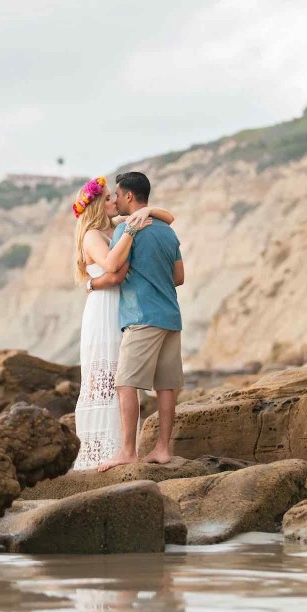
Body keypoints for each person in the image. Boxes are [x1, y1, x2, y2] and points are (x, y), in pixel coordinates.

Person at [71, 175, 174, 470]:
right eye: (107, 198)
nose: (114, 200)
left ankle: (122, 447)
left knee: (122, 376)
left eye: (113, 196)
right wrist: (92, 286)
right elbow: (113, 270)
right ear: (96, 206)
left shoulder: (115, 228)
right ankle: (100, 452)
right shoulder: (93, 234)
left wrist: (148, 211)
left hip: (121, 306)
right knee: (109, 377)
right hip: (103, 309)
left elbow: (170, 217)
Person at [98, 171, 184, 471]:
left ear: (129, 196)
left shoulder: (127, 232)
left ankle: (127, 451)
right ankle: (162, 449)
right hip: (171, 316)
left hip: (142, 316)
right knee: (166, 386)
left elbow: (114, 270)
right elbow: (179, 278)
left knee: (125, 382)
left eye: (118, 195)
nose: (116, 200)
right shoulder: (167, 232)